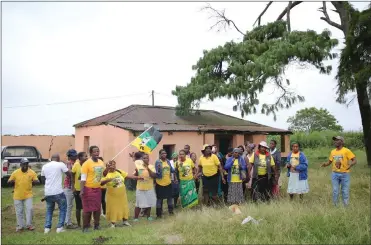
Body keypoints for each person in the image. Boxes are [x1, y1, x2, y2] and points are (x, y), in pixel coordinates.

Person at [101, 160, 140, 228]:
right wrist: (107, 180)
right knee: (113, 208)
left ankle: (125, 221)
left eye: (114, 164)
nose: (113, 166)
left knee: (123, 207)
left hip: (122, 194)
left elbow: (128, 176)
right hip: (112, 195)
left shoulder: (119, 171)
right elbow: (101, 183)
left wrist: (138, 177)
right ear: (107, 166)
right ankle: (113, 223)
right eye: (110, 165)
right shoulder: (105, 173)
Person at [321, 136, 356, 206]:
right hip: (335, 174)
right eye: (335, 140)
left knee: (345, 191)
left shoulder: (346, 151)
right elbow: (330, 162)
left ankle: (345, 206)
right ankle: (335, 206)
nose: (335, 141)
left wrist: (350, 165)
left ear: (342, 142)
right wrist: (325, 164)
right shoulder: (332, 151)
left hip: (345, 174)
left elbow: (354, 160)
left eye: (337, 140)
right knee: (335, 190)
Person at [41, 154, 70, 234]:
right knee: (63, 209)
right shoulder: (60, 164)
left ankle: (47, 228)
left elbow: (43, 179)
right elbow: (69, 174)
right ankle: (60, 227)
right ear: (58, 158)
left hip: (48, 192)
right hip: (58, 192)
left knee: (49, 210)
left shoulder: (45, 166)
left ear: (51, 159)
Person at [8, 158, 39, 232]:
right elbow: (9, 181)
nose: (25, 165)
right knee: (19, 211)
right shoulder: (15, 172)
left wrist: (36, 181)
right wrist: (11, 182)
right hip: (17, 195)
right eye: (24, 164)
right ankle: (20, 226)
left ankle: (29, 225)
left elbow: (37, 180)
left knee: (30, 209)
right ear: (20, 165)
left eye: (27, 164)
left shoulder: (32, 172)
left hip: (28, 195)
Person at [80, 146, 105, 232]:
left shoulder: (101, 162)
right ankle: (85, 227)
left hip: (98, 189)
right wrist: (82, 190)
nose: (97, 153)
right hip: (88, 189)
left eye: (98, 151)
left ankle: (96, 225)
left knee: (97, 209)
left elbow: (104, 173)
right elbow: (83, 178)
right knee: (87, 210)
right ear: (90, 153)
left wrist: (108, 168)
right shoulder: (86, 164)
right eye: (94, 152)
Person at [134, 152, 156, 221]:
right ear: (141, 159)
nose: (145, 159)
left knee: (149, 203)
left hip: (149, 188)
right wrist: (137, 172)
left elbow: (154, 176)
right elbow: (135, 177)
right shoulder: (138, 166)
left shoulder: (151, 166)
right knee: (138, 204)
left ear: (149, 159)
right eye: (144, 158)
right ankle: (136, 218)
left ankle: (148, 216)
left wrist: (148, 168)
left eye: (147, 158)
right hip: (140, 188)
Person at [155, 149, 177, 218]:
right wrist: (158, 169)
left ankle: (171, 212)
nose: (164, 154)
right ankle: (159, 214)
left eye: (165, 153)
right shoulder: (158, 162)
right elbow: (157, 173)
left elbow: (172, 170)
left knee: (170, 198)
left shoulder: (168, 161)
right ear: (160, 155)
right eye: (162, 153)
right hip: (160, 183)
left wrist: (177, 167)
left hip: (168, 183)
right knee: (159, 199)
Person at [71, 152, 88, 228]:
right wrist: (73, 187)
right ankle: (78, 224)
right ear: (80, 158)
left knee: (86, 207)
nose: (87, 157)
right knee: (78, 207)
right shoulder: (76, 165)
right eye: (85, 156)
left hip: (87, 188)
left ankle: (87, 222)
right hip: (78, 189)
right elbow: (72, 175)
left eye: (87, 156)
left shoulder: (87, 164)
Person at [63, 149, 79, 229]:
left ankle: (68, 221)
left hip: (75, 186)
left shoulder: (76, 163)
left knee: (72, 205)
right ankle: (67, 223)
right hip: (69, 187)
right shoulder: (68, 163)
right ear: (69, 156)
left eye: (75, 155)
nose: (75, 156)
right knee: (68, 205)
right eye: (73, 155)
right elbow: (70, 173)